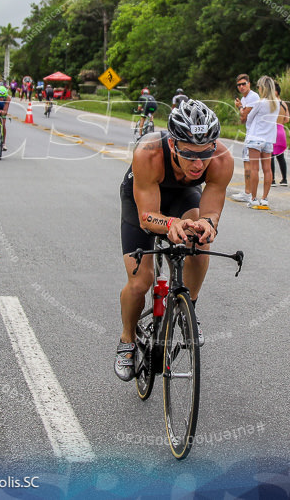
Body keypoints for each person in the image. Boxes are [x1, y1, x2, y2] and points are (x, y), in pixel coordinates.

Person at [115, 100, 231, 380]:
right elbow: (147, 217)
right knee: (140, 282)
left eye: (205, 153)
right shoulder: (148, 152)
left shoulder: (222, 159)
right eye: (190, 154)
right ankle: (127, 339)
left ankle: (187, 306)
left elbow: (211, 210)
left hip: (181, 196)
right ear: (172, 145)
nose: (198, 163)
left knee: (200, 242)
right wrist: (170, 224)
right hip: (142, 201)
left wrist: (207, 223)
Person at [229, 74, 266, 206]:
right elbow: (243, 119)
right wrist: (242, 109)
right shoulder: (245, 99)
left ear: (249, 84)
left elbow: (243, 114)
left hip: (254, 134)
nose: (241, 87)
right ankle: (248, 191)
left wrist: (239, 107)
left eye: (244, 84)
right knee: (246, 163)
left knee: (250, 165)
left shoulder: (253, 97)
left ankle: (249, 193)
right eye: (239, 85)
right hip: (250, 132)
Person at [271, 80, 290, 187]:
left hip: (273, 129)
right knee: (280, 156)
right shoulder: (284, 104)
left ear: (276, 92)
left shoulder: (272, 103)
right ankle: (284, 179)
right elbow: (287, 119)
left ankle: (272, 179)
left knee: (270, 155)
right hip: (281, 130)